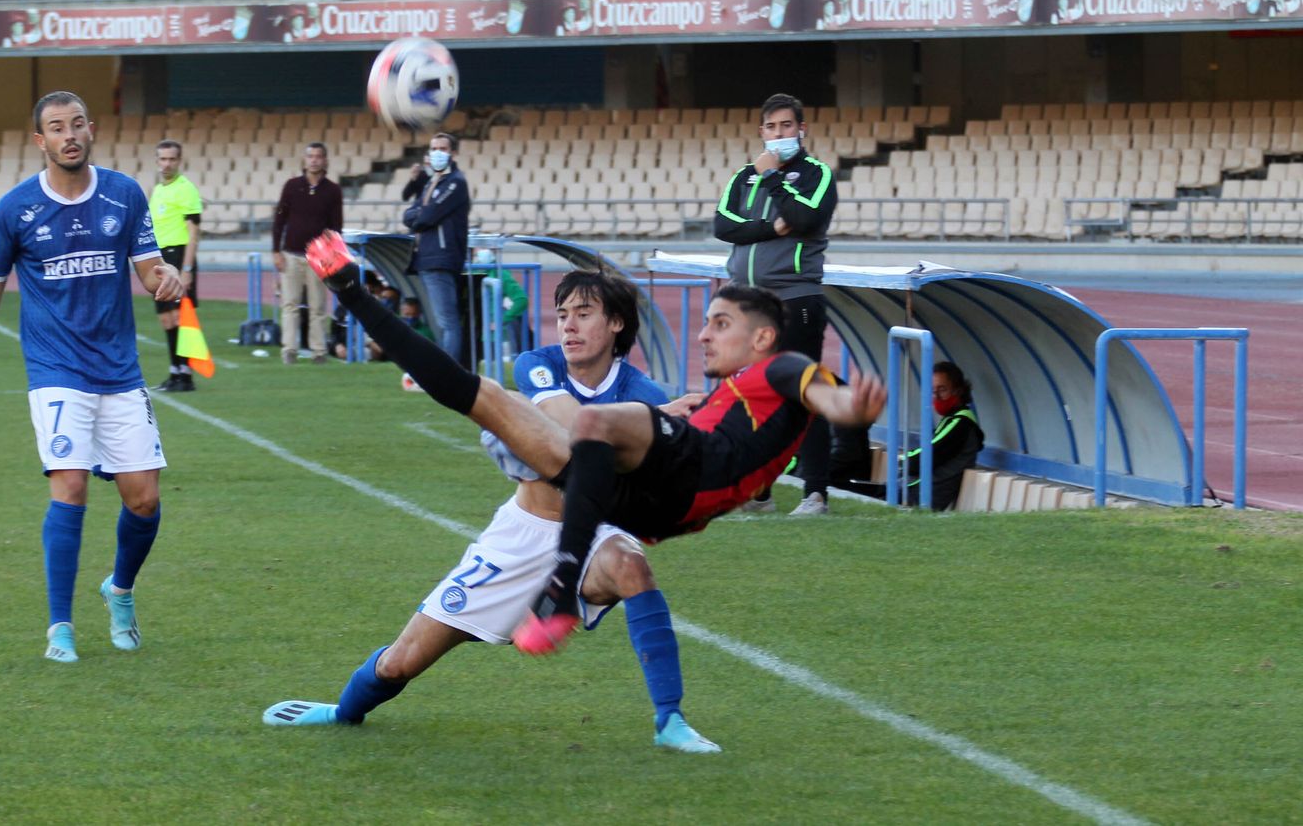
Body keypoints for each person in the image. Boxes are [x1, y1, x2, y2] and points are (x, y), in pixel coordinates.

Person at [303, 230, 885, 656]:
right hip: (640, 501)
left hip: (678, 475)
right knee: (472, 390)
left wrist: (848, 408)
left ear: (761, 336)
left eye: (720, 324)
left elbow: (819, 389)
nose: (704, 333)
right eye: (705, 322)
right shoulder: (710, 393)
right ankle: (352, 291)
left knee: (591, 427)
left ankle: (561, 592)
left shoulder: (781, 367)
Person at [263, 270, 721, 752]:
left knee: (631, 566)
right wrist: (660, 420)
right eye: (562, 314)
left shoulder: (642, 391)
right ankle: (343, 712)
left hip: (588, 533)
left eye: (584, 315)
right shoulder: (538, 365)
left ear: (617, 325)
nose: (567, 326)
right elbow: (573, 424)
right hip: (520, 536)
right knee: (401, 661)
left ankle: (670, 720)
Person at [0, 91, 183, 664]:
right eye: (56, 127)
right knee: (69, 487)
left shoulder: (124, 194)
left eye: (77, 124)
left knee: (144, 500)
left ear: (91, 130)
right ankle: (60, 628)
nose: (69, 134)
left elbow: (148, 269)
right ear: (39, 140)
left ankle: (119, 590)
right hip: (55, 370)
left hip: (119, 368)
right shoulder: (16, 209)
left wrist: (165, 274)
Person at [713, 92, 839, 517]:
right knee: (747, 394)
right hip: (747, 304)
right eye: (771, 127)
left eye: (787, 126)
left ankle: (815, 493)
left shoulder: (816, 175)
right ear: (761, 131)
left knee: (803, 393)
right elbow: (723, 226)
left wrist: (773, 180)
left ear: (802, 130)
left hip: (795, 298)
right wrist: (771, 227)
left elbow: (803, 220)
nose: (779, 134)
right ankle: (759, 492)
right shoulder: (742, 176)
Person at [836, 362, 984, 511]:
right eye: (933, 391)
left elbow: (923, 459)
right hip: (911, 490)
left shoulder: (961, 423)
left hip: (920, 496)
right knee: (842, 488)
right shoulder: (952, 419)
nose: (937, 397)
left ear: (958, 390)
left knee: (846, 492)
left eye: (942, 389)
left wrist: (904, 460)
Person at [400, 133, 469, 363]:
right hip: (429, 258)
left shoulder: (455, 183)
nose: (438, 152)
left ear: (453, 152)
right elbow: (408, 214)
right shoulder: (432, 182)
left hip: (441, 257)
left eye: (443, 148)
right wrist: (419, 215)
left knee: (447, 321)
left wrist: (419, 215)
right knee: (442, 320)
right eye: (434, 148)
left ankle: (449, 376)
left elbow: (423, 218)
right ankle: (447, 371)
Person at [272, 142, 342, 365]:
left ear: (325, 161)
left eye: (318, 156)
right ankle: (289, 350)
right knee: (290, 304)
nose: (314, 160)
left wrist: (332, 255)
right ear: (304, 160)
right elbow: (280, 219)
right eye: (310, 156)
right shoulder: (291, 186)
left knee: (318, 307)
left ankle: (319, 351)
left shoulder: (333, 190)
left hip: (318, 257)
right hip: (291, 254)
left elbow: (336, 227)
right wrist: (276, 250)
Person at [147, 139, 203, 393]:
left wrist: (187, 269)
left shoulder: (186, 189)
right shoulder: (158, 189)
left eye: (171, 159)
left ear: (179, 161)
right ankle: (175, 370)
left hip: (179, 257)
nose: (167, 163)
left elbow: (193, 233)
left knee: (182, 317)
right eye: (163, 159)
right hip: (161, 260)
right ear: (157, 161)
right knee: (167, 318)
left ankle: (187, 374)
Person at [473, 247, 530, 359]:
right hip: (474, 333)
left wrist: (501, 320)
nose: (479, 252)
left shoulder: (500, 273)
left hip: (495, 337)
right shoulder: (471, 270)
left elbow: (521, 300)